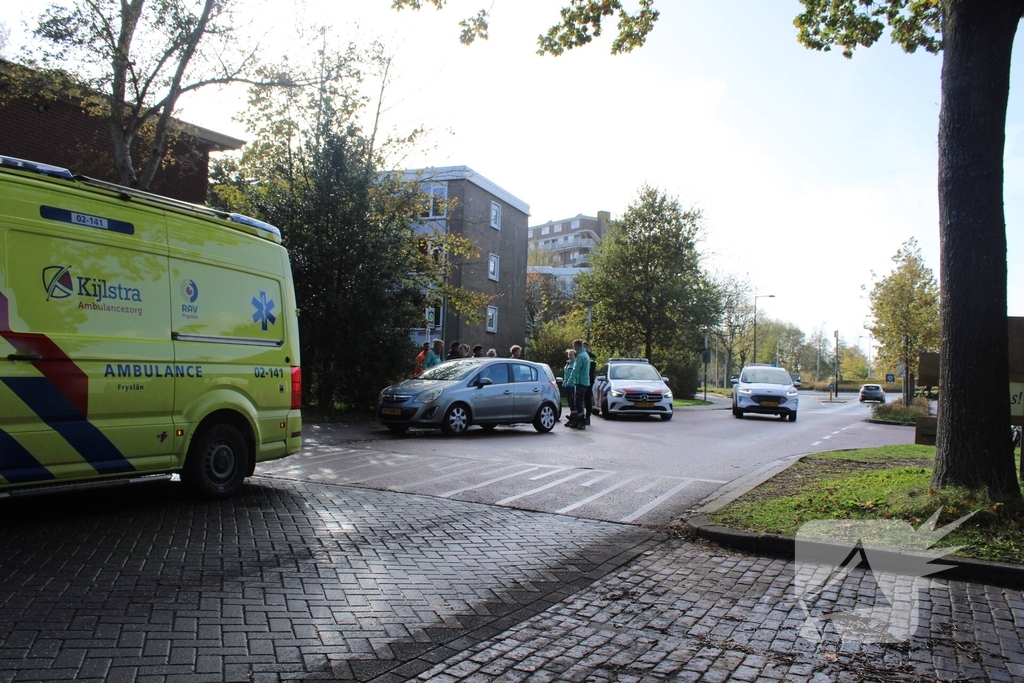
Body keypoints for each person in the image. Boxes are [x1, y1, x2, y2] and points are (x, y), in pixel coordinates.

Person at [568, 339, 591, 430]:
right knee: (579, 402)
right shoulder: (586, 355)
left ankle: (581, 421)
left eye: (574, 346)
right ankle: (578, 421)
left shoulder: (580, 356)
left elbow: (576, 370)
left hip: (580, 382)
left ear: (578, 346)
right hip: (585, 381)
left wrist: (570, 381)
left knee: (578, 402)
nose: (574, 348)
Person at [582, 341, 597, 425]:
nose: (584, 349)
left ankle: (588, 416)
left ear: (588, 347)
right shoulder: (581, 355)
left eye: (585, 347)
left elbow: (592, 368)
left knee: (587, 397)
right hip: (582, 379)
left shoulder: (592, 356)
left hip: (589, 379)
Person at [562, 348, 577, 427]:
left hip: (572, 385)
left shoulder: (575, 363)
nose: (570, 356)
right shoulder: (568, 364)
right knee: (570, 403)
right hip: (567, 385)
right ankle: (572, 417)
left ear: (574, 355)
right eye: (569, 355)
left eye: (571, 355)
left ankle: (574, 419)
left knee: (572, 403)